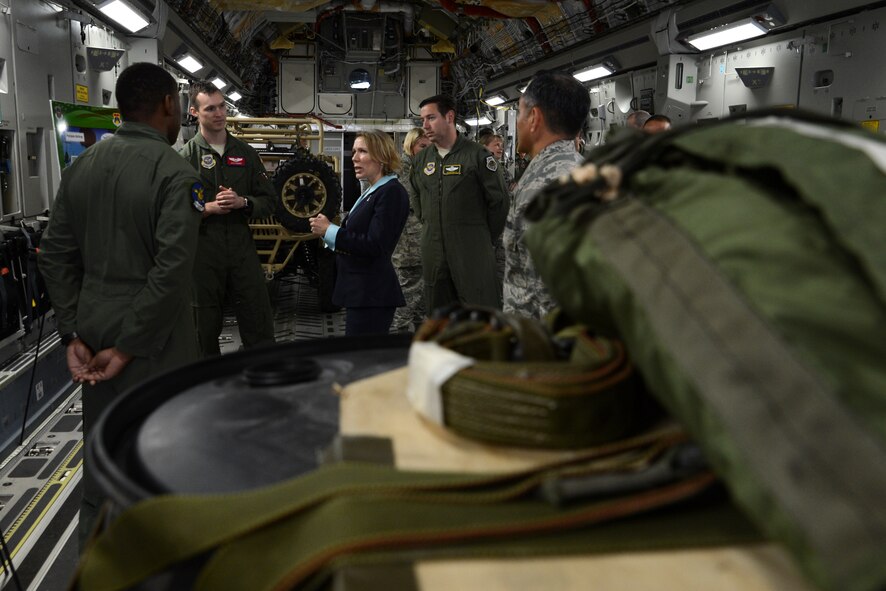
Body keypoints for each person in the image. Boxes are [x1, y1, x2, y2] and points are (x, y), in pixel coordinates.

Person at [38, 62, 203, 543]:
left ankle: (100, 550)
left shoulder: (82, 168)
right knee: (162, 451)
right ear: (169, 106)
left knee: (105, 447)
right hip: (156, 340)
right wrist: (130, 344)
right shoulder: (175, 173)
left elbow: (55, 257)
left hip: (91, 333)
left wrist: (72, 333)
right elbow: (171, 270)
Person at [180, 80, 276, 357]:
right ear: (194, 112)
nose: (219, 113)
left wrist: (243, 202)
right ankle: (208, 389)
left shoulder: (245, 155)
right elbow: (172, 212)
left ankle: (262, 383)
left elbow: (269, 201)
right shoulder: (184, 158)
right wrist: (206, 208)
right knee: (202, 330)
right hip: (203, 253)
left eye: (222, 106)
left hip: (241, 248)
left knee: (258, 319)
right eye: (210, 108)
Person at [503, 70, 590, 320]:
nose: (518, 123)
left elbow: (550, 291)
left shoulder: (544, 186)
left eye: (519, 113)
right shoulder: (577, 168)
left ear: (534, 118)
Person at [411, 94, 509, 313]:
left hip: (472, 252)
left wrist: (480, 236)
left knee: (480, 313)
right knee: (439, 318)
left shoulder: (478, 156)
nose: (425, 125)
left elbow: (499, 203)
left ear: (449, 117)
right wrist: (432, 225)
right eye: (422, 120)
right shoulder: (421, 160)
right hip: (434, 253)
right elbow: (417, 198)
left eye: (431, 118)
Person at [309, 130, 409, 335]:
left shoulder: (391, 192)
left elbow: (375, 245)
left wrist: (330, 231)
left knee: (365, 360)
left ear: (381, 156)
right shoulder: (373, 191)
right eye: (354, 151)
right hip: (361, 291)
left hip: (372, 293)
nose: (354, 158)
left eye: (362, 151)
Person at [391, 128, 431, 333]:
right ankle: (398, 339)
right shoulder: (403, 169)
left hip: (419, 243)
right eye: (422, 146)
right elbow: (415, 201)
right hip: (409, 246)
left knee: (421, 299)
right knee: (408, 294)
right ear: (411, 145)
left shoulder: (419, 166)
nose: (426, 151)